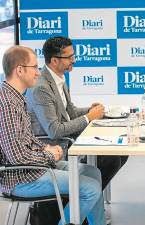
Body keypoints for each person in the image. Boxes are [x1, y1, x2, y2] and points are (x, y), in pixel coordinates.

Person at [25, 36, 128, 223]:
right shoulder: (41, 88)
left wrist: (91, 111)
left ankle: (91, 217)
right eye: (70, 57)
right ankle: (77, 207)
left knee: (117, 156)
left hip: (67, 141)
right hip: (54, 147)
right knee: (109, 161)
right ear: (55, 60)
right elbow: (54, 130)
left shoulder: (58, 78)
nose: (74, 60)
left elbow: (68, 112)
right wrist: (89, 117)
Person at [0, 46, 106, 225]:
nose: (38, 73)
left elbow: (26, 139)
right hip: (21, 178)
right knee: (91, 189)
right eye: (34, 67)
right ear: (19, 70)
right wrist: (49, 155)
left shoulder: (17, 97)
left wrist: (45, 147)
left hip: (31, 168)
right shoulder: (8, 104)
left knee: (92, 172)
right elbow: (17, 156)